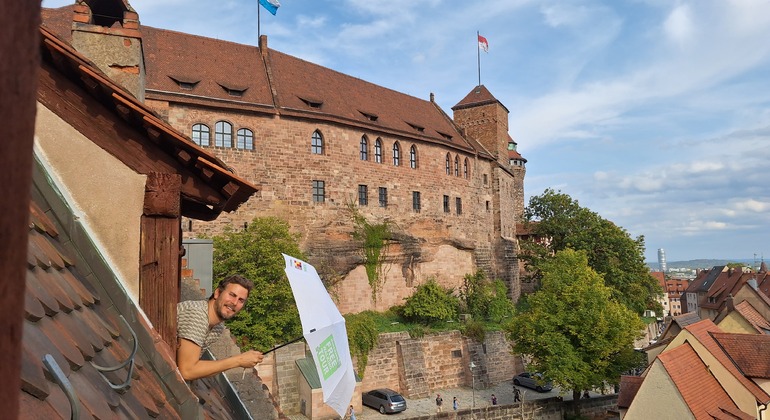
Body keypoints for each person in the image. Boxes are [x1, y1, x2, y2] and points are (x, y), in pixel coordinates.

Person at [176, 275, 264, 380]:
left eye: (241, 300)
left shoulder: (217, 327)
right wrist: (239, 360)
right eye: (232, 295)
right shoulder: (197, 314)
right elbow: (187, 371)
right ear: (217, 293)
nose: (235, 303)